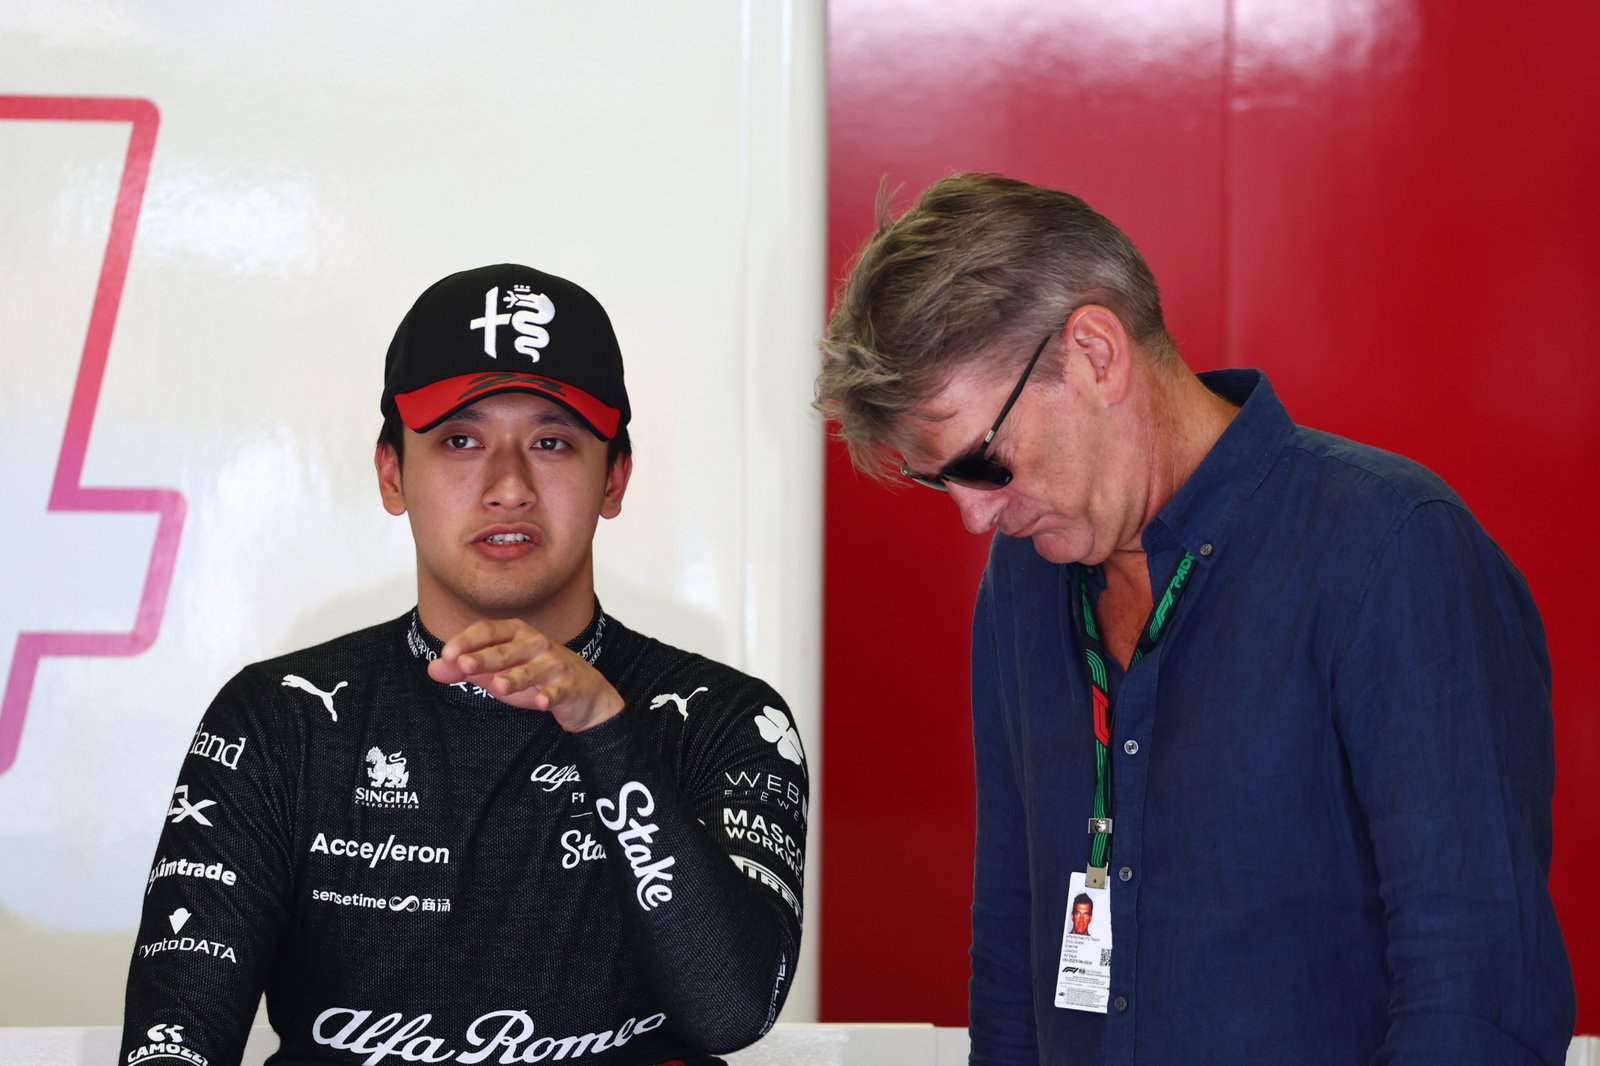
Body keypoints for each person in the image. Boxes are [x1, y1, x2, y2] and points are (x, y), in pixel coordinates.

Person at [814, 174, 1572, 1064]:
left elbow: (1475, 995)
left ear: (1096, 354)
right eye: (940, 480)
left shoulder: (1392, 554)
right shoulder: (1023, 585)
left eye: (985, 462)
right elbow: (1014, 955)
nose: (976, 518)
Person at [120, 264, 808, 1066]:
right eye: (460, 440)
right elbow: (174, 1043)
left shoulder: (725, 718)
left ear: (614, 477)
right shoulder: (279, 720)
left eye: (551, 442)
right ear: (390, 473)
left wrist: (606, 733)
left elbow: (732, 1011)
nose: (508, 486)